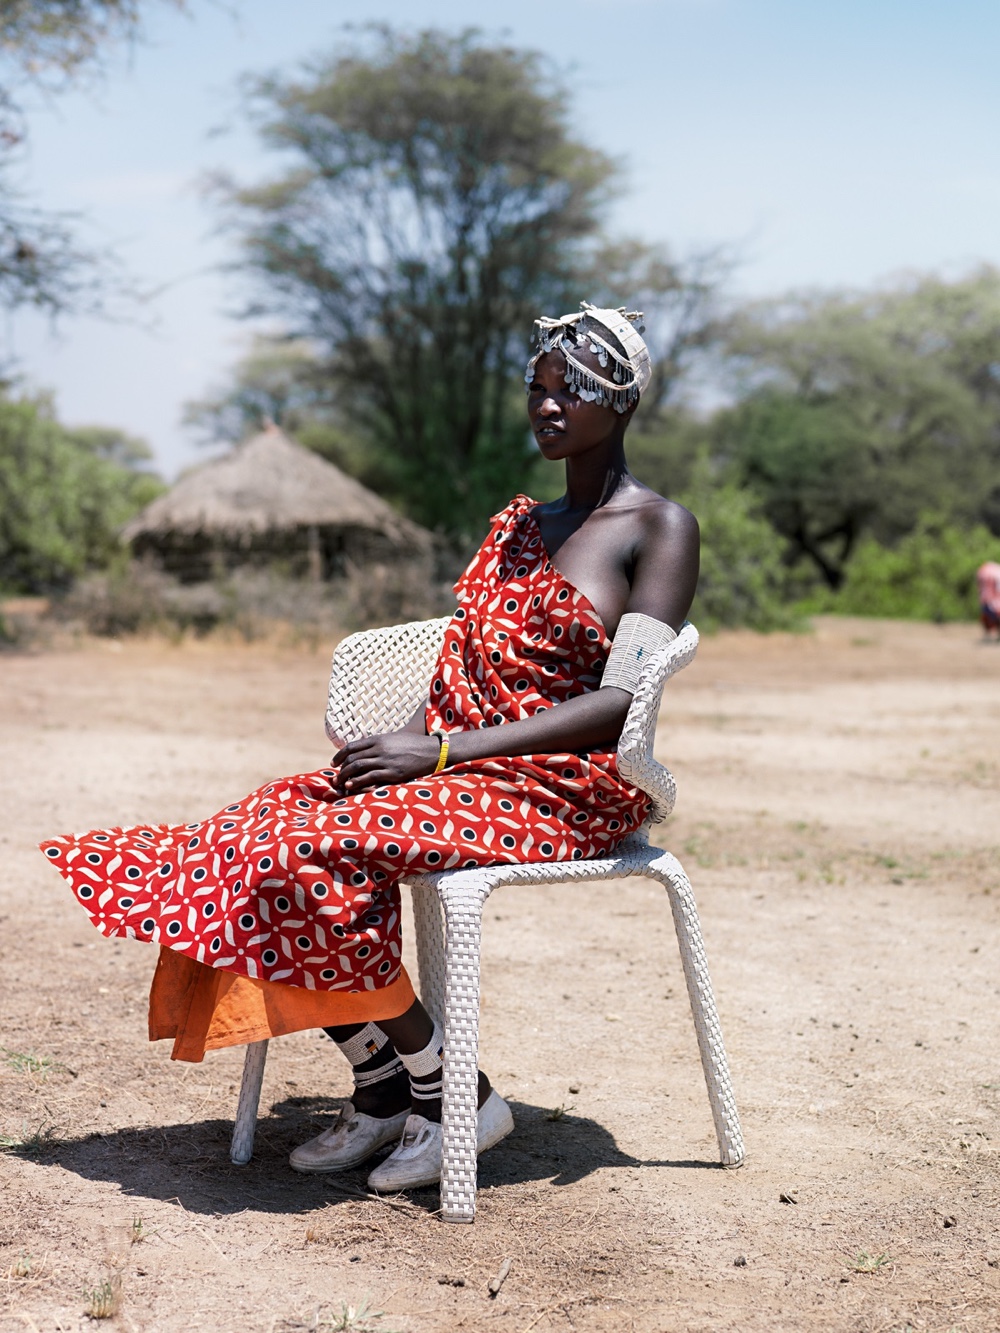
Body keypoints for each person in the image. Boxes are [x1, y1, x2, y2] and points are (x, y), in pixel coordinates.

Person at [40, 303, 699, 1192]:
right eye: (536, 390)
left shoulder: (658, 527)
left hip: (562, 784)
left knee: (318, 848)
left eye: (568, 391)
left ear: (619, 402)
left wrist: (439, 753)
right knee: (251, 830)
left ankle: (455, 1092)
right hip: (465, 765)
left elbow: (619, 703)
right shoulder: (520, 525)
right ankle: (387, 1084)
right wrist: (428, 749)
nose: (546, 407)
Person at [977, 561, 1000, 641]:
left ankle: (988, 635)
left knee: (988, 617)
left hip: (989, 600)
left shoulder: (985, 572)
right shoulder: (996, 572)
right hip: (993, 600)